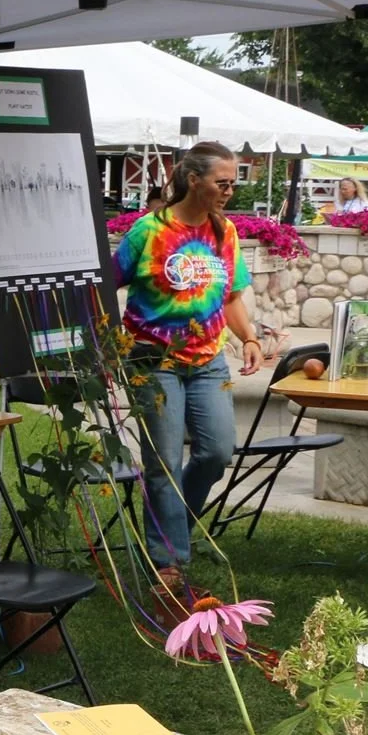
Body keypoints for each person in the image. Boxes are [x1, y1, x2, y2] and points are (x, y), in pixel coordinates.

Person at [115, 141, 265, 588]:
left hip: (207, 361)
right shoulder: (149, 231)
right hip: (151, 359)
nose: (228, 192)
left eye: (233, 184)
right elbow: (106, 281)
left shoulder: (225, 233)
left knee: (217, 451)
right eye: (222, 183)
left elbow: (231, 295)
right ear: (194, 180)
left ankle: (171, 521)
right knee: (162, 461)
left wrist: (250, 337)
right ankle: (170, 561)